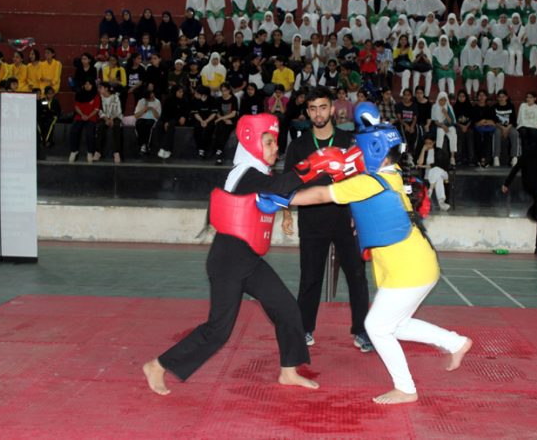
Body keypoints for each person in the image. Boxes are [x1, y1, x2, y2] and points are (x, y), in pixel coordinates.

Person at [143, 112, 356, 396]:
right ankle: (157, 366)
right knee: (219, 330)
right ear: (252, 143)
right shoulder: (243, 174)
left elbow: (300, 193)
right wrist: (313, 164)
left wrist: (340, 179)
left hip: (248, 261)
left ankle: (289, 371)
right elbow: (282, 186)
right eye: (268, 143)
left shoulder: (260, 177)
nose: (275, 148)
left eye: (276, 143)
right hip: (228, 261)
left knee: (287, 308)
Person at [286, 102, 473, 404]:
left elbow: (321, 194)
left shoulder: (368, 182)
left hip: (409, 270)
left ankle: (406, 388)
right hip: (415, 265)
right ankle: (455, 342)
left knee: (376, 327)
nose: (356, 155)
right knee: (395, 325)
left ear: (373, 152)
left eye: (361, 150)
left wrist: (283, 198)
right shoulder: (393, 173)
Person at [282, 86, 372, 351]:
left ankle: (362, 331)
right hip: (311, 221)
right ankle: (305, 329)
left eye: (323, 107)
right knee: (310, 277)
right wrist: (286, 214)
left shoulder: (349, 141)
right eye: (313, 108)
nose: (318, 113)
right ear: (307, 112)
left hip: (347, 220)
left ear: (332, 109)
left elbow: (362, 180)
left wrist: (361, 214)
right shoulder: (298, 146)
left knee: (357, 276)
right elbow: (287, 184)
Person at [70, 79, 101, 163]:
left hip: (91, 117)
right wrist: (82, 115)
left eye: (89, 84)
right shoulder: (79, 93)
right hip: (80, 116)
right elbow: (76, 106)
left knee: (89, 133)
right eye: (86, 84)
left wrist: (88, 116)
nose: (87, 86)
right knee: (73, 130)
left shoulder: (96, 95)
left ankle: (90, 152)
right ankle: (74, 151)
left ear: (92, 85)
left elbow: (96, 109)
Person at [94, 82, 123, 164]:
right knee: (100, 126)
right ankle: (98, 152)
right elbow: (99, 111)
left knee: (117, 126)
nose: (99, 90)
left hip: (115, 117)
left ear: (106, 88)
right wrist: (106, 119)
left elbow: (119, 111)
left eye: (101, 88)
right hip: (104, 117)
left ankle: (117, 153)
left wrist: (112, 119)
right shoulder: (100, 98)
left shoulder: (115, 97)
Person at [157, 85, 188, 160]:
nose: (182, 93)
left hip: (178, 120)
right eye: (179, 92)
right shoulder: (168, 100)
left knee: (171, 124)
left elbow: (185, 111)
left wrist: (184, 117)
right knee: (159, 125)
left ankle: (165, 148)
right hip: (169, 119)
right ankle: (165, 149)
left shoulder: (184, 100)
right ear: (175, 92)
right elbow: (164, 113)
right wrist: (165, 121)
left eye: (182, 92)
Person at [493, 89, 518, 167]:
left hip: (510, 127)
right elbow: (494, 120)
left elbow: (513, 119)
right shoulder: (494, 107)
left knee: (515, 133)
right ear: (497, 98)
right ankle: (496, 157)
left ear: (506, 97)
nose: (501, 98)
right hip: (499, 127)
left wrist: (507, 128)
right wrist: (502, 128)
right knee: (496, 133)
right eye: (499, 97)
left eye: (503, 97)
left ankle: (514, 157)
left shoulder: (511, 106)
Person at [432, 91, 457, 166]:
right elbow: (435, 121)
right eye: (441, 99)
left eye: (444, 100)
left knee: (453, 135)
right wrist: (443, 126)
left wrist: (446, 114)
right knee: (439, 133)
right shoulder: (435, 107)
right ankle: (439, 156)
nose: (442, 101)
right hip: (440, 126)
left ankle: (452, 157)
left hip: (449, 126)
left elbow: (451, 122)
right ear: (438, 99)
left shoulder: (449, 107)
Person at [134, 89, 162, 155]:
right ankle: (142, 144)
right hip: (141, 118)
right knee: (139, 124)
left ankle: (145, 145)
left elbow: (158, 116)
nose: (153, 97)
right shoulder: (141, 101)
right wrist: (144, 109)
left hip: (152, 118)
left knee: (148, 125)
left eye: (153, 95)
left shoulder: (157, 102)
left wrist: (152, 109)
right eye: (151, 97)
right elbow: (136, 116)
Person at [473, 90, 495, 168]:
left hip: (487, 129)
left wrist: (485, 122)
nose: (481, 97)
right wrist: (480, 123)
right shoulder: (474, 108)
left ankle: (486, 160)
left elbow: (493, 121)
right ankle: (479, 160)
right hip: (477, 129)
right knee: (477, 137)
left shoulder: (490, 108)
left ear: (486, 97)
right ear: (477, 97)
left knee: (488, 137)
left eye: (483, 95)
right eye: (480, 95)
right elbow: (473, 122)